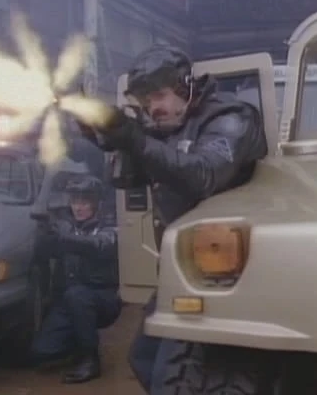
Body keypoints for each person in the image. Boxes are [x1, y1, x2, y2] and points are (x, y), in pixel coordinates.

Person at [77, 45, 268, 393]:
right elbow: (125, 179)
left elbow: (203, 174)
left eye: (159, 95)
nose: (153, 107)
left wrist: (133, 137)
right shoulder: (164, 127)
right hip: (184, 269)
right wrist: (105, 137)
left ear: (185, 86)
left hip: (231, 271)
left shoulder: (230, 117)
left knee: (175, 373)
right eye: (146, 101)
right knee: (144, 357)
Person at [30, 175, 122, 384]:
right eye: (74, 201)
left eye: (84, 202)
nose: (78, 207)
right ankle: (77, 342)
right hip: (71, 300)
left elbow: (98, 246)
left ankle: (91, 359)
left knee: (77, 295)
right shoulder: (65, 225)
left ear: (96, 202)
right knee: (42, 351)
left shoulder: (110, 226)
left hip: (104, 298)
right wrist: (44, 234)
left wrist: (63, 239)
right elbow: (46, 252)